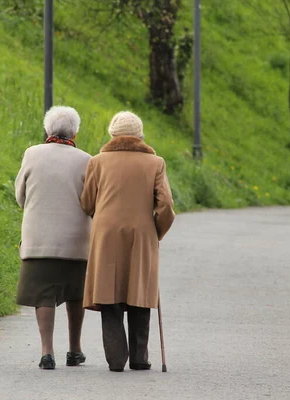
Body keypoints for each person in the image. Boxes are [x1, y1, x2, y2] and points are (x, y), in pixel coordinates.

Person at [80, 111, 176, 372]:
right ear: (140, 136)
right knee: (139, 292)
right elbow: (166, 205)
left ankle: (115, 360)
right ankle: (139, 358)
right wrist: (156, 231)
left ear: (112, 135)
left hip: (106, 233)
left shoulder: (97, 162)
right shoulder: (155, 163)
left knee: (109, 294)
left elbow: (87, 202)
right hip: (142, 233)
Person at [15, 106, 91, 370]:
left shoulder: (32, 154)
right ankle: (75, 349)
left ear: (48, 129)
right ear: (75, 131)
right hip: (77, 240)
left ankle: (47, 353)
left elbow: (20, 196)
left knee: (43, 294)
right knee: (76, 294)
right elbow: (91, 201)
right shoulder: (86, 160)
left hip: (38, 238)